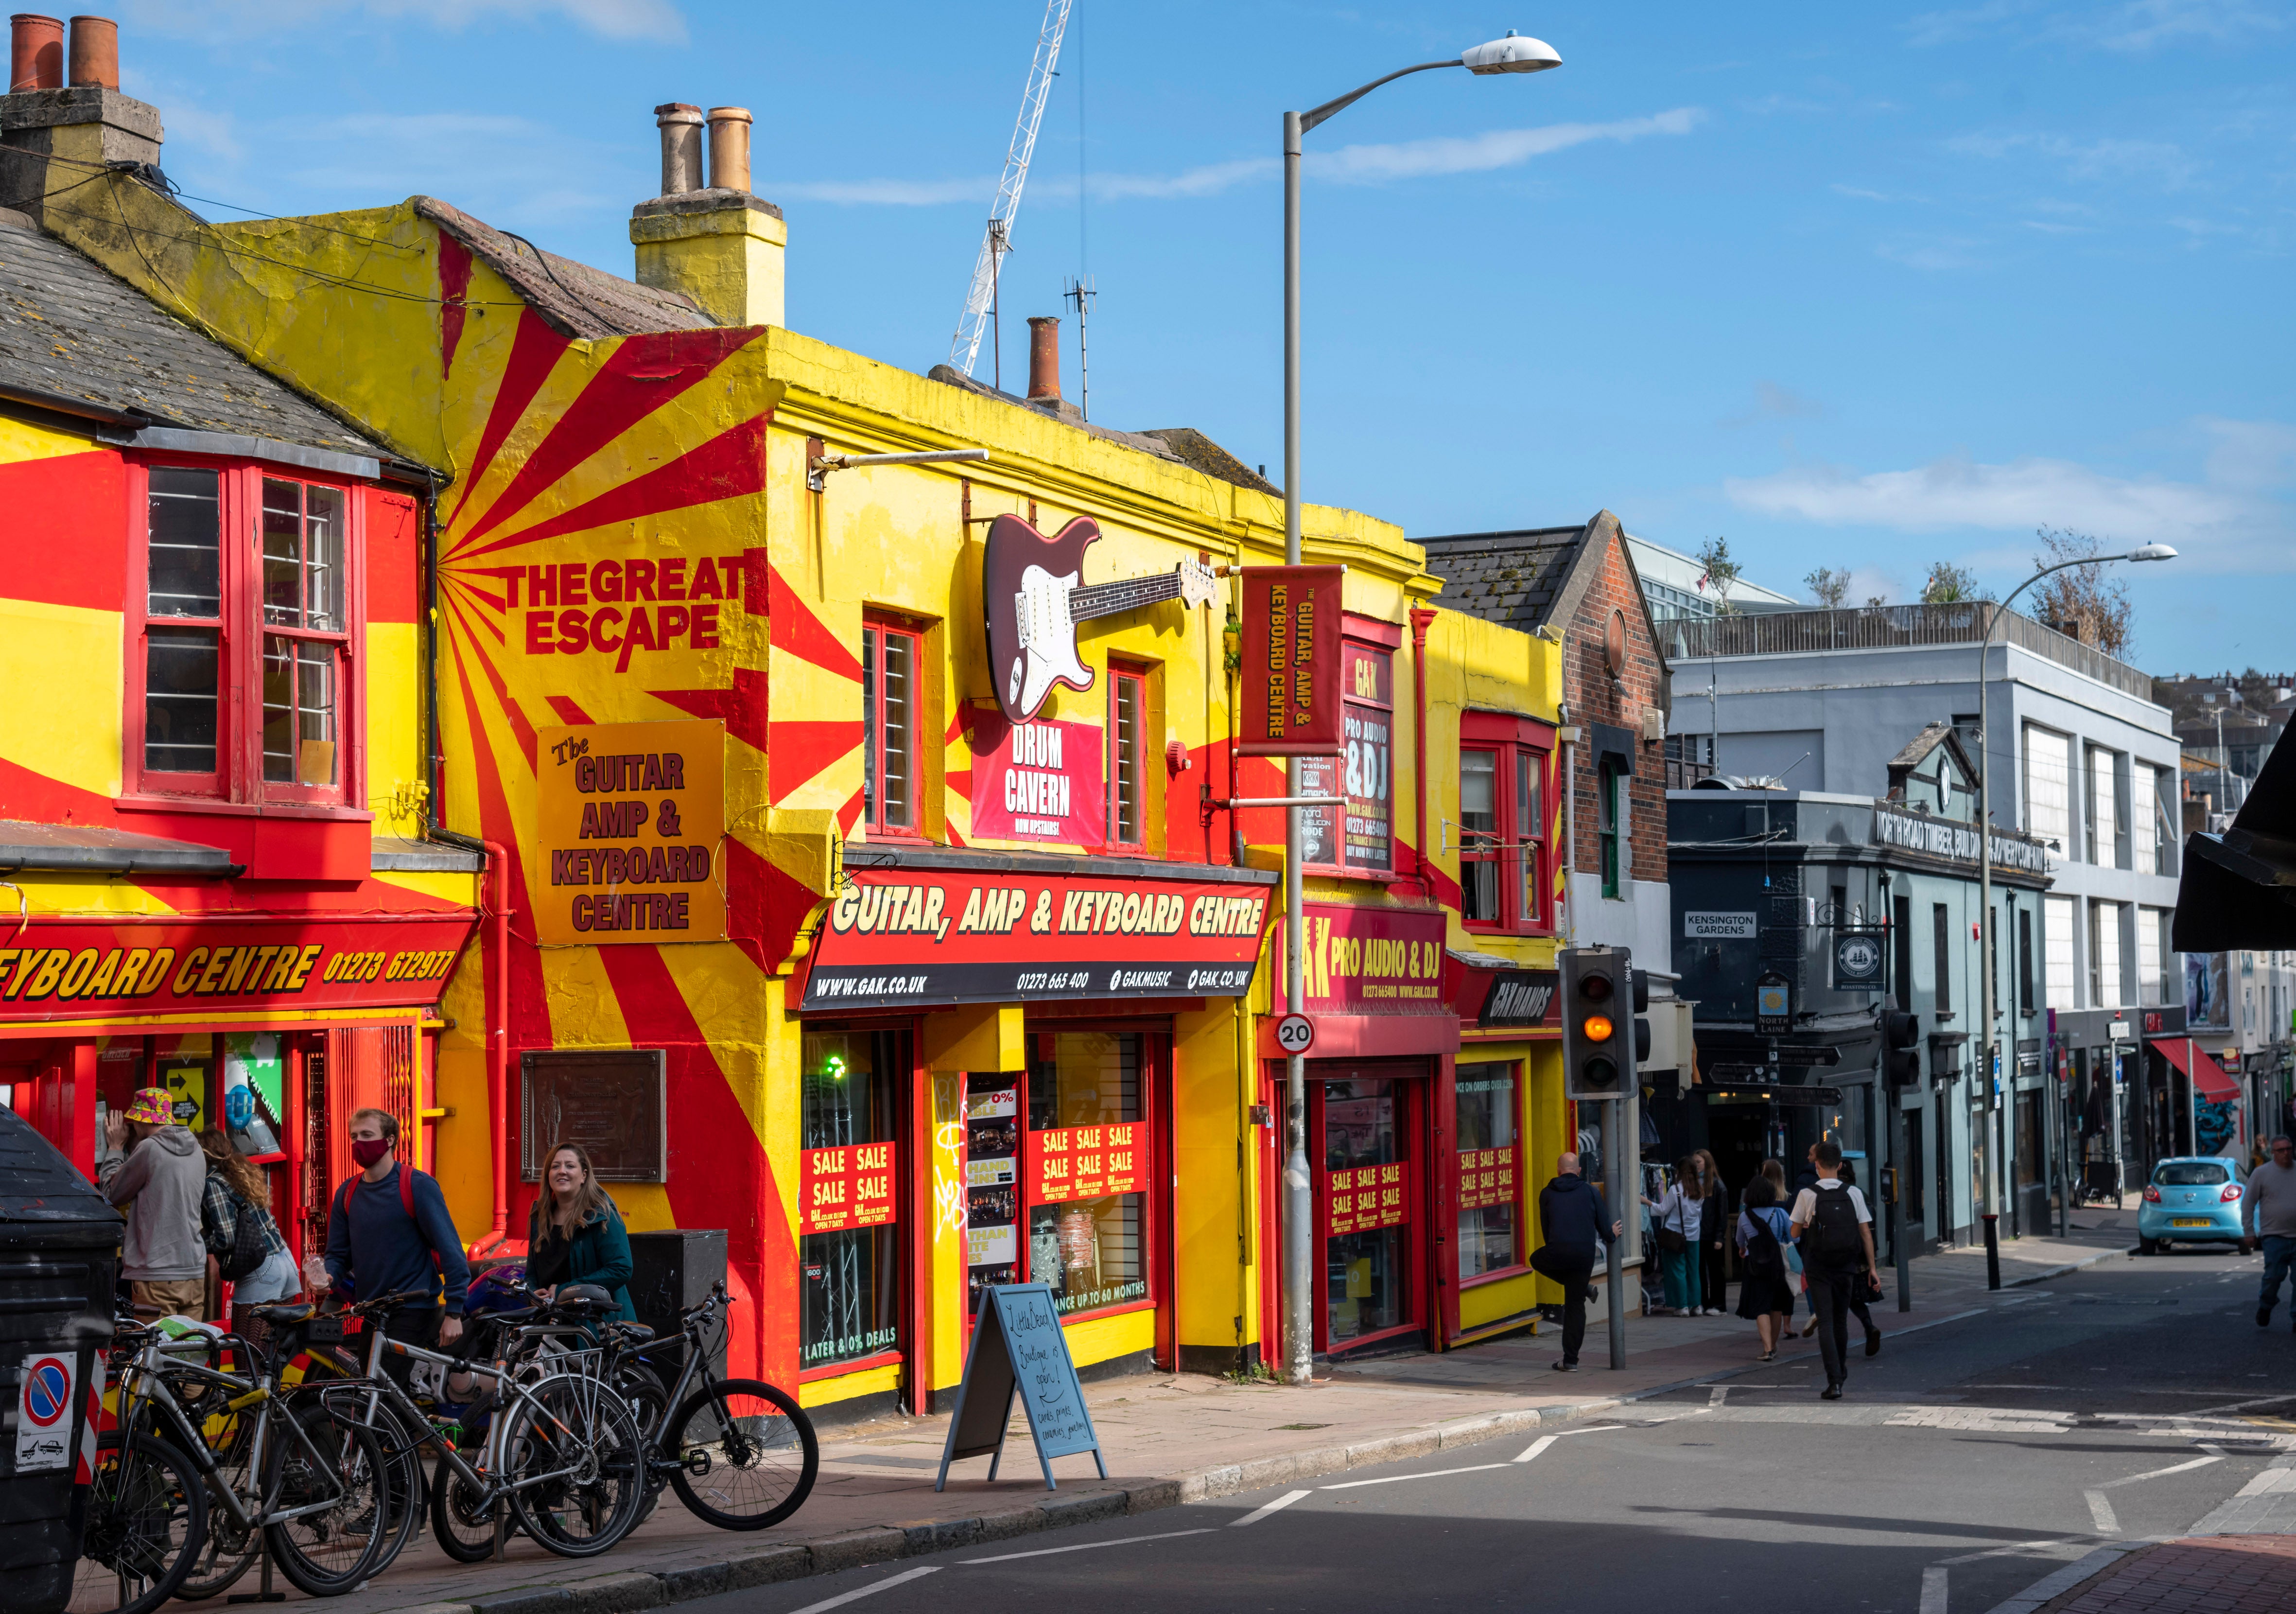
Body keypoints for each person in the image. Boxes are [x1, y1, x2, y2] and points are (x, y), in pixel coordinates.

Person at [307, 1107, 470, 1386]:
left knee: (380, 1393)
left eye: (368, 1135)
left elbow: (451, 1249)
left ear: (391, 1139)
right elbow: (338, 1254)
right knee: (376, 1392)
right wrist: (329, 1277)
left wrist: (454, 1312)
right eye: (354, 1136)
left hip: (413, 1308)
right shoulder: (346, 1193)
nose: (359, 1144)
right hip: (371, 1310)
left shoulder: (417, 1185)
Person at [99, 1087, 207, 1318]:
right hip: (194, 1272)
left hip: (157, 1273)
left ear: (140, 1121)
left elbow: (111, 1194)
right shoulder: (197, 1149)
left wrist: (116, 1148)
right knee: (188, 1351)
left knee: (155, 1350)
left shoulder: (150, 1148)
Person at [196, 1129, 300, 1352]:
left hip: (262, 1270)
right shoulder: (241, 1172)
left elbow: (226, 1238)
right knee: (272, 1357)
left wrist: (193, 1245)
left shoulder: (213, 1184)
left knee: (248, 1356)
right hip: (285, 1260)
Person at [1790, 1140, 1878, 1400]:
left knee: (1825, 1321)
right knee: (1840, 1321)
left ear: (1817, 1165)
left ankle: (1834, 1380)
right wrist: (1872, 1268)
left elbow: (1794, 1232)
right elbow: (1865, 1233)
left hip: (1818, 1266)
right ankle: (1842, 1371)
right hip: (1847, 1265)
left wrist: (1807, 1224)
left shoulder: (1808, 1194)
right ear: (1840, 1165)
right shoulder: (1854, 1193)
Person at [1530, 1152, 1622, 1372]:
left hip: (1557, 1251)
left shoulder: (1546, 1194)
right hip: (1584, 1255)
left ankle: (1583, 1289)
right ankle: (1570, 1360)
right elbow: (1605, 1228)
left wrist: (1556, 1245)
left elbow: (1547, 1230)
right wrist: (1612, 1235)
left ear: (1558, 1170)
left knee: (1535, 1259)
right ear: (1579, 1171)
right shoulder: (1591, 1192)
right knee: (1575, 1306)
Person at [526, 1141, 637, 1322]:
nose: (562, 1171)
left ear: (584, 1176)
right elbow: (531, 1273)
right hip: (548, 1320)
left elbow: (621, 1269)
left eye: (570, 1166)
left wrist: (565, 1291)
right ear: (548, 1175)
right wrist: (532, 1295)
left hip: (593, 1324)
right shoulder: (540, 1217)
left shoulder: (602, 1216)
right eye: (555, 1166)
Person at [1734, 1177, 1796, 1361]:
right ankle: (1774, 1346)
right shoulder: (1781, 1213)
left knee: (1761, 1307)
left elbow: (1740, 1240)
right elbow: (1795, 1238)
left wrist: (1743, 1249)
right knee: (1777, 1307)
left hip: (1755, 1266)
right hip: (1779, 1266)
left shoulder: (1745, 1216)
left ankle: (1767, 1348)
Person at [1644, 1157, 1705, 1316]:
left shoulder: (1675, 1190)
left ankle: (1682, 1306)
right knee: (1693, 1270)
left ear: (1679, 1172)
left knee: (1677, 1270)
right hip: (1694, 1235)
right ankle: (1696, 1305)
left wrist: (1648, 1202)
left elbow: (1663, 1210)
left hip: (1675, 1235)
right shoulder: (1700, 1190)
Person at [2249, 1135, 2296, 1329]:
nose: (2286, 1153)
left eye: (2289, 1149)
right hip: (2273, 1236)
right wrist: (2248, 1231)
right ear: (2273, 1153)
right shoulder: (2261, 1173)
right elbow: (2248, 1203)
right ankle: (2266, 1305)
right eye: (2281, 1150)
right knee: (2273, 1277)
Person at [1838, 1158, 1883, 1358]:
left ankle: (1838, 1346)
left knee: (1842, 1297)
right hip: (1862, 1255)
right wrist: (1872, 1261)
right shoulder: (1860, 1194)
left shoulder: (1837, 1194)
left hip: (1843, 1254)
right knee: (1854, 1297)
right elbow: (1868, 1231)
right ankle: (1868, 1326)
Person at [1695, 1149, 1730, 1317]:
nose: (1696, 1166)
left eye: (1699, 1162)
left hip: (1711, 1234)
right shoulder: (1694, 1183)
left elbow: (1722, 1214)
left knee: (1716, 1270)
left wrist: (1719, 1237)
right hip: (1698, 1234)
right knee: (1700, 1269)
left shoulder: (1717, 1185)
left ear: (1707, 1163)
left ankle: (1719, 1304)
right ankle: (1704, 1302)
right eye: (1695, 1162)